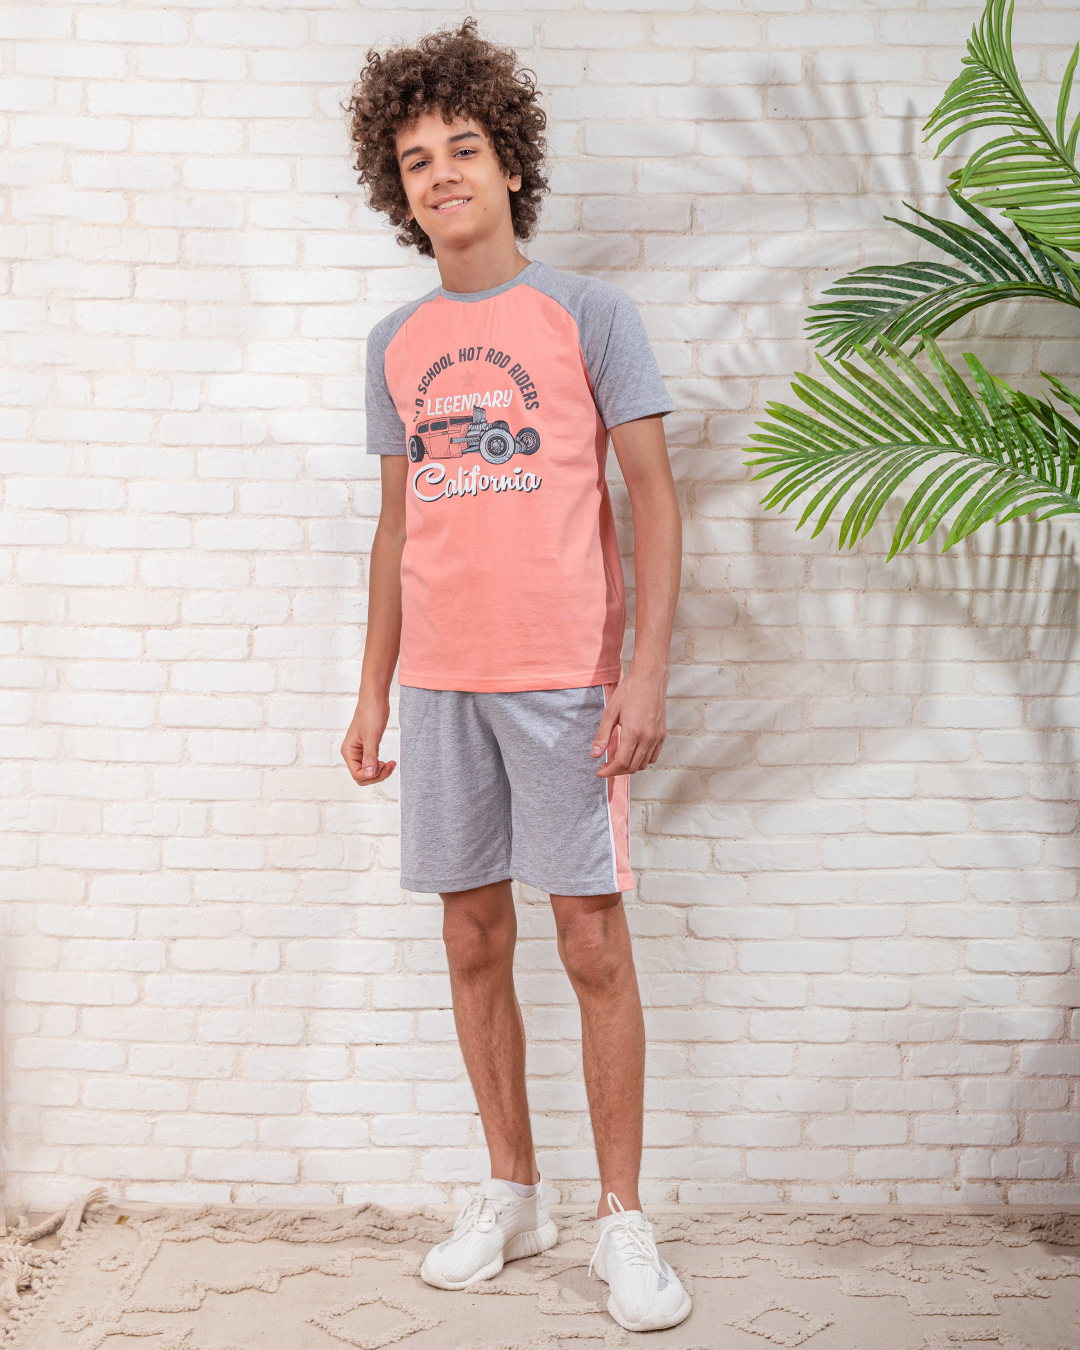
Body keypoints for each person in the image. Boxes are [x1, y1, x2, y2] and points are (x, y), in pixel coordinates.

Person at [341, 20, 688, 1333]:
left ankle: (622, 1218)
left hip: (564, 683)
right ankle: (512, 1189)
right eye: (415, 158)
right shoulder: (394, 341)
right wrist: (372, 690)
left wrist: (644, 673)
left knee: (590, 937)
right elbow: (398, 528)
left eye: (463, 147)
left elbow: (653, 501)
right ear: (399, 188)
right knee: (472, 934)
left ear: (510, 163)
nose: (441, 173)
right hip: (440, 686)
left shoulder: (590, 315)